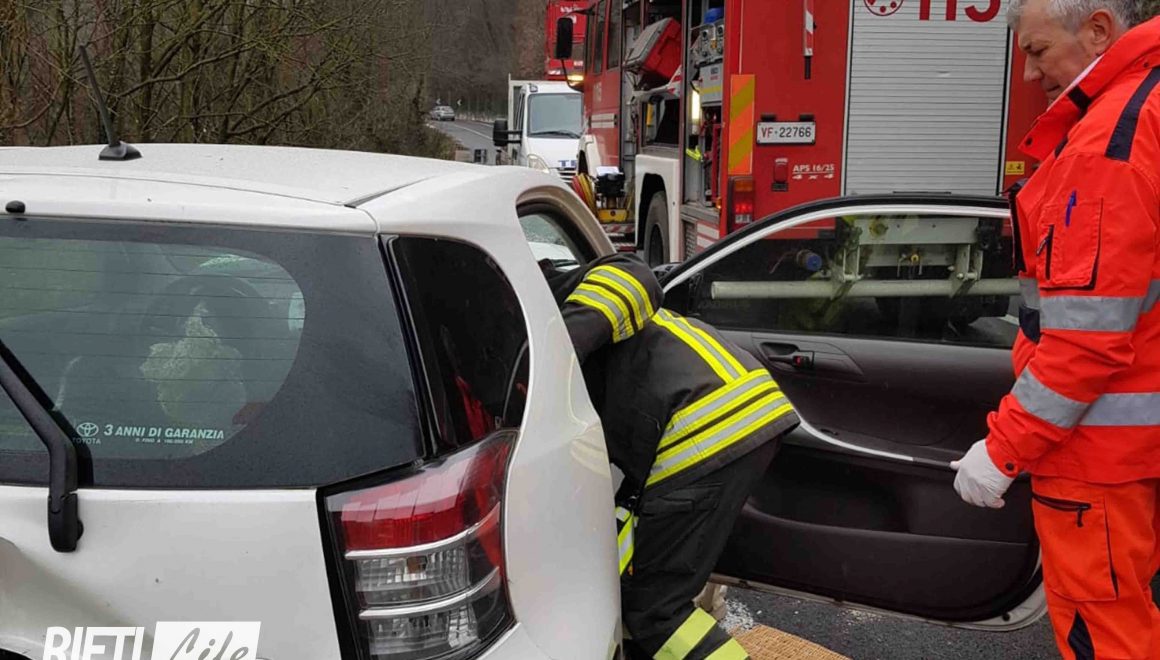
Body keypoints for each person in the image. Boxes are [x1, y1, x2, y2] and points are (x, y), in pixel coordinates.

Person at [951, 1, 1160, 657]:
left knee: (1104, 633)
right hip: (1142, 451)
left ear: (1097, 31)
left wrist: (1003, 450)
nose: (1029, 73)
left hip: (1101, 463)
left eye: (1038, 52)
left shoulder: (1107, 144)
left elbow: (1085, 341)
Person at [540, 253, 799, 660]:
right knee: (636, 572)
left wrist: (554, 356)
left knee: (655, 611)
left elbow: (634, 272)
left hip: (702, 424)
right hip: (734, 411)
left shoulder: (547, 299)